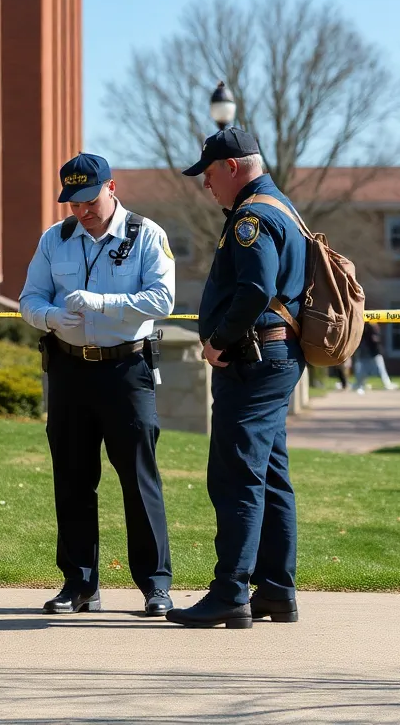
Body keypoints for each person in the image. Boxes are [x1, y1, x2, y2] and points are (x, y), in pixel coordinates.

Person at [19, 153, 175, 618]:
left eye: (89, 201)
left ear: (112, 188)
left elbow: (162, 299)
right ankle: (79, 583)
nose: (82, 212)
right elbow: (29, 298)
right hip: (68, 370)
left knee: (138, 477)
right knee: (72, 478)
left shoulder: (146, 234)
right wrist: (48, 316)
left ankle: (155, 585)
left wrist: (102, 303)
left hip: (126, 370)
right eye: (73, 204)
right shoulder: (56, 239)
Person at [166, 128, 306, 630]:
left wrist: (218, 341)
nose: (206, 185)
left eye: (208, 174)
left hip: (253, 361)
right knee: (269, 475)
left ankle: (230, 591)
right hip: (275, 358)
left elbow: (254, 289)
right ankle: (275, 590)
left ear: (231, 167)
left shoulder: (252, 217)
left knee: (236, 476)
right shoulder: (281, 205)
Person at [352, 321, 399, 393]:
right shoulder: (366, 328)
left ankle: (386, 384)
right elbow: (372, 338)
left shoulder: (370, 327)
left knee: (380, 369)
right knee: (362, 371)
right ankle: (359, 385)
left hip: (373, 353)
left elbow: (376, 339)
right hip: (367, 353)